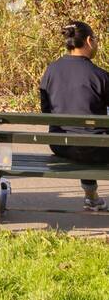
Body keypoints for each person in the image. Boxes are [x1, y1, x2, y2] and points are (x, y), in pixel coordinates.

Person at [39, 21, 109, 213]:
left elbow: (46, 111)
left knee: (85, 137)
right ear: (88, 41)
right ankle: (92, 198)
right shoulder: (100, 76)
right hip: (97, 150)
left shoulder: (51, 71)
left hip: (61, 145)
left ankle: (92, 198)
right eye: (95, 39)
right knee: (92, 139)